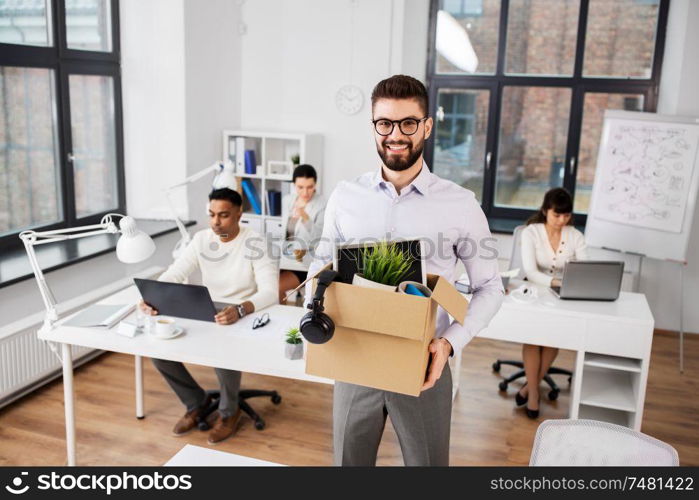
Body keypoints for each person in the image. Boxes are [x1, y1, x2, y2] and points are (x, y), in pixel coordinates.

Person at [306, 75, 504, 466]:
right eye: (385, 123)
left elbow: (490, 287)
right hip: (354, 356)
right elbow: (321, 263)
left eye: (408, 123)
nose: (396, 135)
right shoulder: (346, 197)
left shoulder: (460, 204)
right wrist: (313, 306)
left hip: (423, 364)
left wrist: (448, 344)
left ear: (427, 126)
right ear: (373, 127)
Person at [139, 187, 278, 444]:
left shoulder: (255, 242)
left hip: (243, 311)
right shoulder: (202, 239)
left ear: (238, 214)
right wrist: (153, 296)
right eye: (211, 214)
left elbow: (270, 291)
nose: (215, 222)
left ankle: (229, 411)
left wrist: (240, 309)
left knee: (222, 351)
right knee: (159, 353)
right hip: (206, 309)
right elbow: (176, 272)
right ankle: (197, 403)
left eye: (223, 215)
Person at [518, 187, 587, 418]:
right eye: (557, 215)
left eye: (566, 216)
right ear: (545, 211)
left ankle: (529, 387)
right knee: (533, 339)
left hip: (562, 296)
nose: (561, 220)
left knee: (552, 340)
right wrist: (557, 281)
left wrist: (566, 285)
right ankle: (535, 395)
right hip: (535, 294)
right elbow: (530, 270)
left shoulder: (575, 236)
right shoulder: (531, 232)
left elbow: (585, 270)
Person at [278, 164, 325, 302]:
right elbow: (284, 232)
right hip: (286, 256)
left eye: (310, 187)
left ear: (315, 184)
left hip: (306, 261)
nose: (305, 192)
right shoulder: (288, 200)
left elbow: (319, 236)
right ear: (294, 185)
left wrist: (305, 216)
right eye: (300, 187)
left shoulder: (322, 204)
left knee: (277, 287)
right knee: (266, 282)